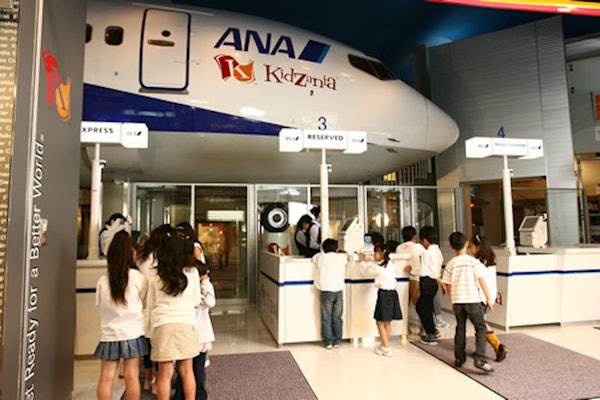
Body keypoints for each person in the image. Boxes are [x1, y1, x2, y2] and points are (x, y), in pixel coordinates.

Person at [94, 231, 149, 400]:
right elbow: (144, 302)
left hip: (110, 334)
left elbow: (99, 305)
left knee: (106, 377)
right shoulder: (138, 278)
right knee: (131, 376)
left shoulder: (103, 280)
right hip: (133, 333)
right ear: (131, 254)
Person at [147, 231, 202, 400]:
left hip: (163, 325)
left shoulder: (155, 275)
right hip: (186, 323)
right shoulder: (192, 272)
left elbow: (150, 303)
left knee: (164, 373)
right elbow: (196, 300)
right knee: (187, 371)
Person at [442, 231, 495, 373]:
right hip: (473, 300)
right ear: (466, 244)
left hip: (458, 301)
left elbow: (448, 286)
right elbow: (481, 281)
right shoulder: (473, 262)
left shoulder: (450, 264)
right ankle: (480, 359)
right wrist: (488, 299)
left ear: (451, 247)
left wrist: (452, 301)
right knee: (481, 328)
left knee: (460, 328)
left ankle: (459, 358)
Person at [136, 223, 174, 392]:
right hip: (158, 307)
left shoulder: (143, 258)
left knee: (147, 345)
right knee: (160, 348)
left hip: (144, 306)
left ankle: (148, 378)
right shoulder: (164, 259)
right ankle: (159, 382)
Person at [173, 263, 216, 400]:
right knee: (183, 368)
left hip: (200, 337)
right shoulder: (189, 288)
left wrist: (205, 284)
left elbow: (210, 302)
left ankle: (199, 395)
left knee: (197, 368)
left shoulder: (203, 288)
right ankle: (181, 394)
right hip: (188, 333)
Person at [358, 244, 402, 357]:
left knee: (380, 322)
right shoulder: (391, 264)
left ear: (382, 254)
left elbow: (364, 272)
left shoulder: (376, 267)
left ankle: (386, 347)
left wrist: (362, 261)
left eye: (376, 252)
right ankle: (384, 344)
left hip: (384, 294)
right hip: (393, 294)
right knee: (387, 322)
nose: (374, 255)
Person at [470, 234, 508, 362]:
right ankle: (494, 347)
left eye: (472, 246)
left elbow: (480, 282)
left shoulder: (477, 263)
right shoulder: (490, 262)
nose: (470, 249)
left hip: (480, 298)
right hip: (488, 298)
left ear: (478, 247)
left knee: (480, 326)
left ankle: (497, 346)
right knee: (481, 324)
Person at [312, 238, 348, 349]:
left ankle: (328, 342)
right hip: (338, 291)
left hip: (326, 292)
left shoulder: (320, 257)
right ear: (337, 249)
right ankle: (337, 341)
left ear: (323, 249)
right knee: (337, 317)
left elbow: (314, 258)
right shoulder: (342, 257)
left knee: (326, 318)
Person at [417, 226, 444, 345]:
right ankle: (432, 329)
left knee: (424, 308)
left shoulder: (426, 253)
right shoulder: (438, 252)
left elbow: (423, 271)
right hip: (433, 283)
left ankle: (431, 334)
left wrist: (412, 270)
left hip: (426, 282)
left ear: (425, 240)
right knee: (422, 307)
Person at [396, 226, 425, 335]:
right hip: (415, 278)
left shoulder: (399, 248)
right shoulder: (419, 248)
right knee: (420, 305)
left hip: (402, 280)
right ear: (414, 236)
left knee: (404, 305)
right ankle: (423, 328)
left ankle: (405, 329)